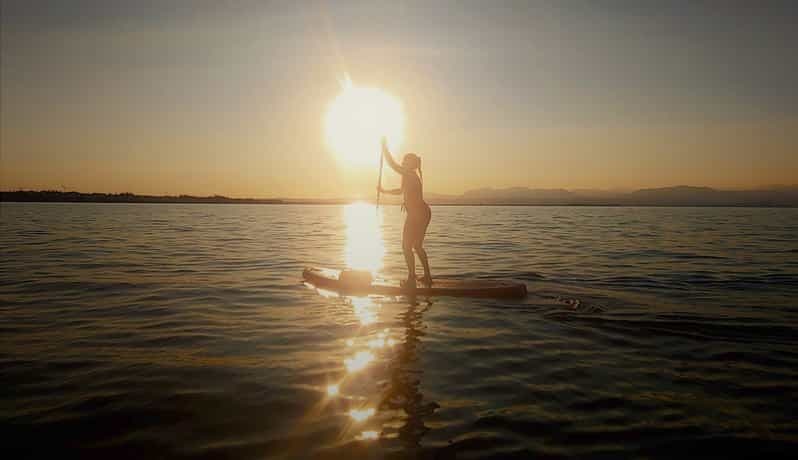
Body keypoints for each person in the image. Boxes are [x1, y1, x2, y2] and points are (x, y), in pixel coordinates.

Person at [378, 137, 432, 289]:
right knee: (416, 246)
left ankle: (411, 279)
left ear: (412, 164)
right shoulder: (408, 176)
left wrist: (384, 148)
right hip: (422, 212)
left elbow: (392, 165)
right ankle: (427, 277)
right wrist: (384, 191)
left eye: (406, 161)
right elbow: (402, 191)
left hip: (418, 214)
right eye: (404, 160)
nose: (403, 162)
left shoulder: (410, 174)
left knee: (407, 246)